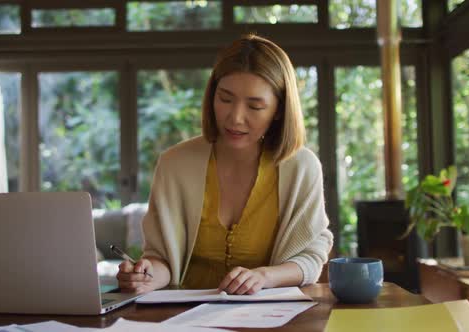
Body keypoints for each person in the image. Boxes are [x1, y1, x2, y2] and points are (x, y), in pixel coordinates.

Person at [117, 34, 333, 295]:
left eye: (255, 106)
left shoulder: (301, 168)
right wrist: (147, 276)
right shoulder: (174, 164)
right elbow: (162, 259)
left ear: (278, 110)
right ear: (212, 96)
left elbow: (310, 258)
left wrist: (265, 277)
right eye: (225, 99)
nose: (235, 118)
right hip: (183, 316)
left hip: (270, 315)